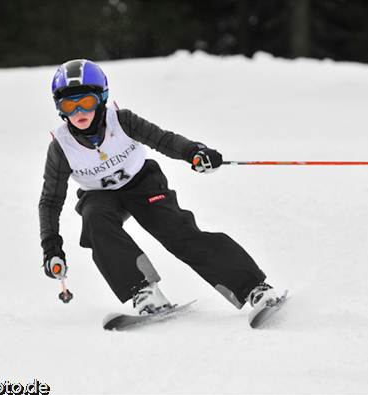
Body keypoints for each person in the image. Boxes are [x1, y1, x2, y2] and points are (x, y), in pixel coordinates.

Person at [39, 59, 281, 323]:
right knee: (95, 220)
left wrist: (194, 152)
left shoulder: (121, 121)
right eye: (68, 105)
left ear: (102, 98)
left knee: (178, 232)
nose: (78, 111)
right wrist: (51, 248)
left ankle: (254, 289)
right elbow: (50, 200)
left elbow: (162, 139)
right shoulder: (61, 148)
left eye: (85, 101)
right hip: (100, 195)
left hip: (142, 183)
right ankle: (143, 292)